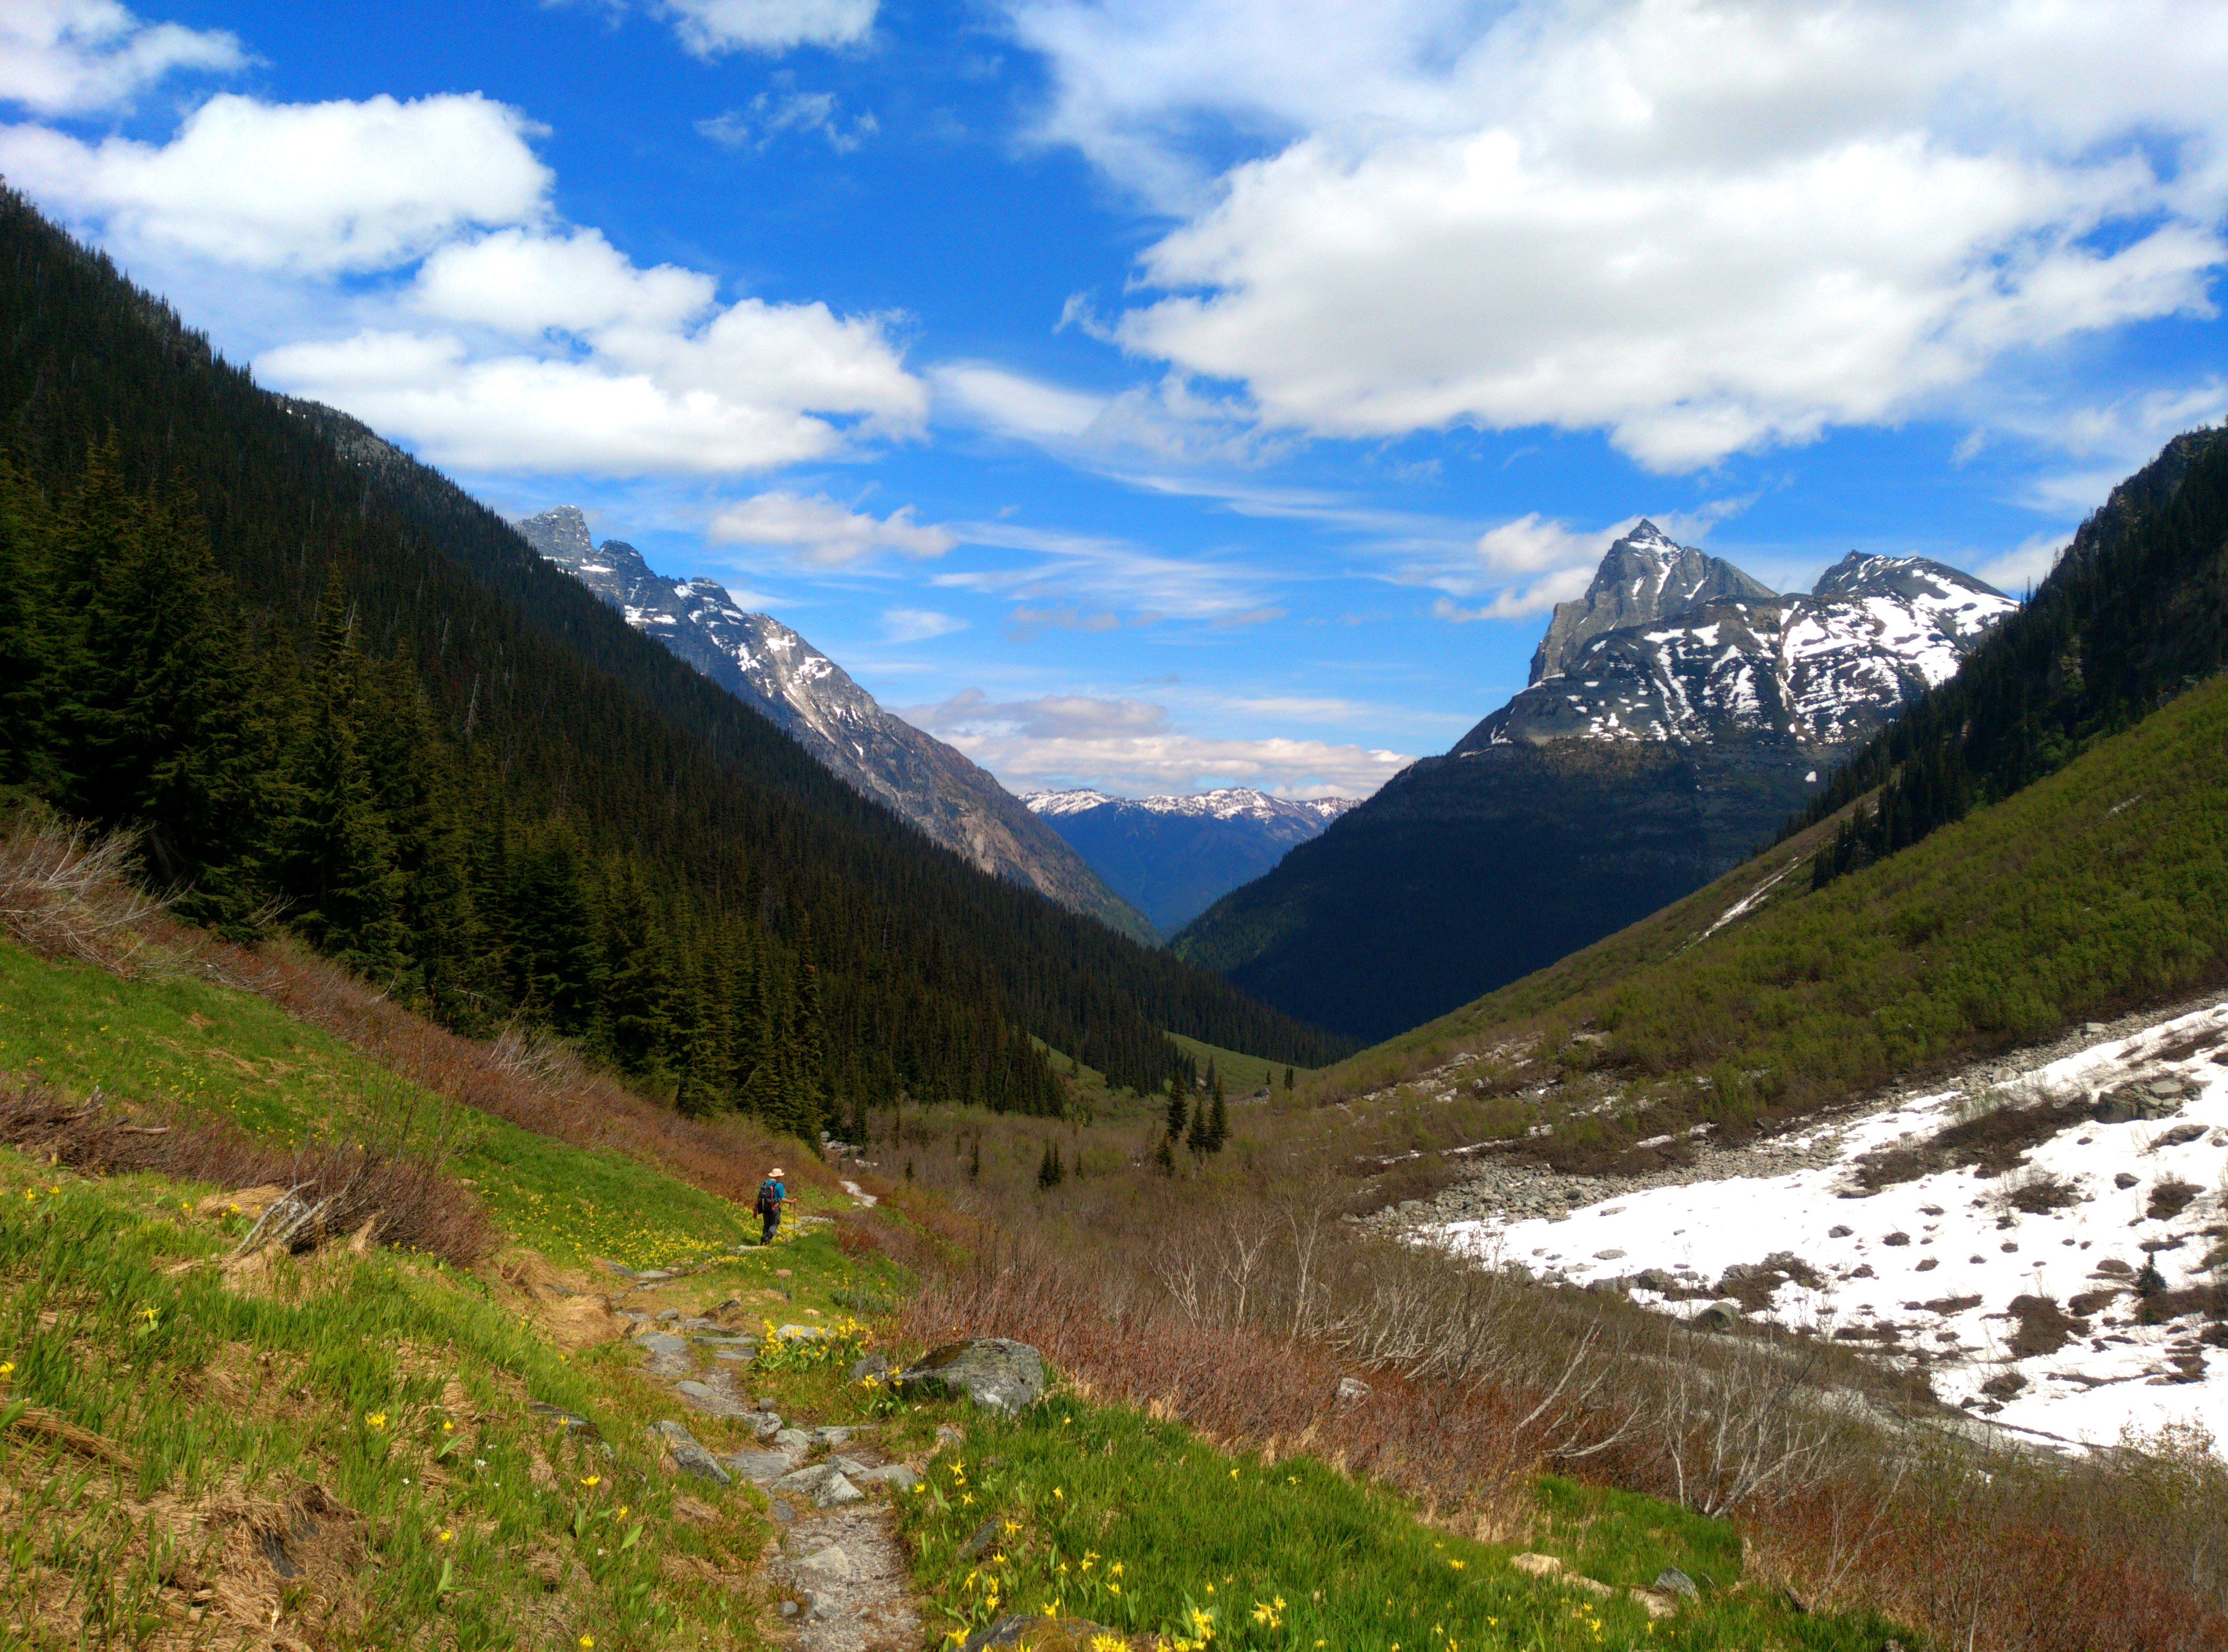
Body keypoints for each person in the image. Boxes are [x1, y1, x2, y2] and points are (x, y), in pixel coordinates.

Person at [754, 1167, 786, 1244]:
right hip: (774, 1208)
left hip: (765, 1207)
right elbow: (783, 1199)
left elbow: (759, 1198)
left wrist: (755, 1210)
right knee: (774, 1224)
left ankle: (763, 1239)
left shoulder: (764, 1184)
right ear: (779, 1176)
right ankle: (768, 1238)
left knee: (766, 1224)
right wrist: (792, 1201)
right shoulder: (779, 1185)